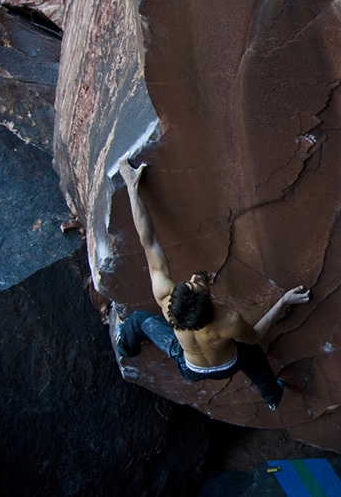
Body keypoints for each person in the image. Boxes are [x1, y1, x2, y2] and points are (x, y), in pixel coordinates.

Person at [114, 158, 309, 410]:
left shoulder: (165, 298)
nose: (195, 278)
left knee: (139, 320)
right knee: (253, 356)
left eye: (192, 283)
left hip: (190, 368)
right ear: (211, 302)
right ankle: (272, 398)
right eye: (196, 284)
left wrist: (132, 187)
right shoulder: (228, 321)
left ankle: (125, 348)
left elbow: (148, 241)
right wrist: (282, 302)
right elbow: (256, 335)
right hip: (227, 364)